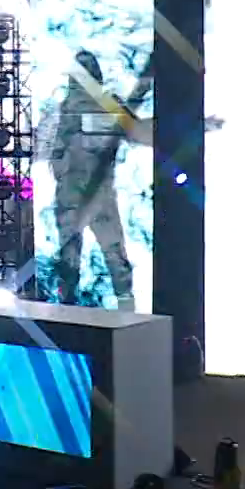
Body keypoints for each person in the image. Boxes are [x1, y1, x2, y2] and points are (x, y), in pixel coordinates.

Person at [45, 50, 147, 310]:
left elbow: (51, 153)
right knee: (101, 258)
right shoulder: (72, 109)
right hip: (86, 195)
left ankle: (75, 314)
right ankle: (119, 313)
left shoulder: (72, 109)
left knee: (88, 259)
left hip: (84, 195)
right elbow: (140, 133)